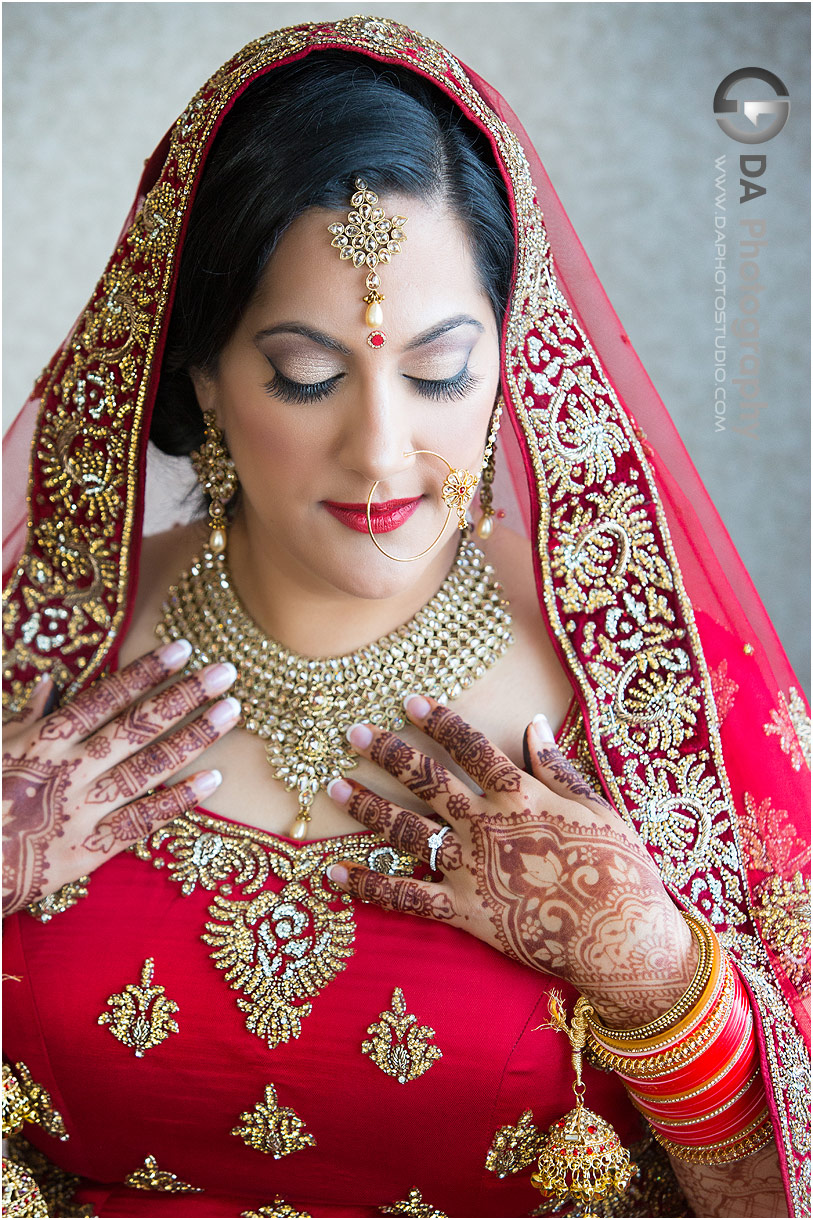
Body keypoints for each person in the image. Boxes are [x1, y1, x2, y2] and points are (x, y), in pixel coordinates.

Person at [2, 16, 809, 1219]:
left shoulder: (654, 684)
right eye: (306, 373)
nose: (383, 451)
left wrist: (659, 981)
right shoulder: (40, 644)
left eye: (439, 371)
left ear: (514, 360)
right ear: (201, 374)